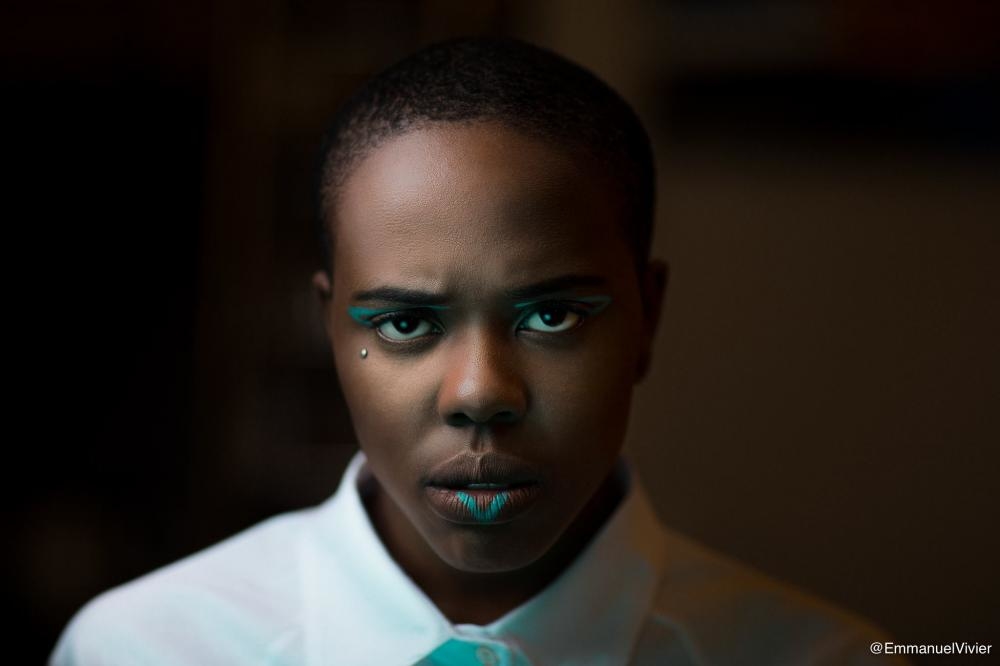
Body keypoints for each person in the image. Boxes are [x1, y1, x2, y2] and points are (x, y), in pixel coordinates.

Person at [51, 37, 905, 665]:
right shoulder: (143, 650)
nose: (480, 393)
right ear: (331, 328)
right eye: (404, 325)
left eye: (553, 316)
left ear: (646, 318)